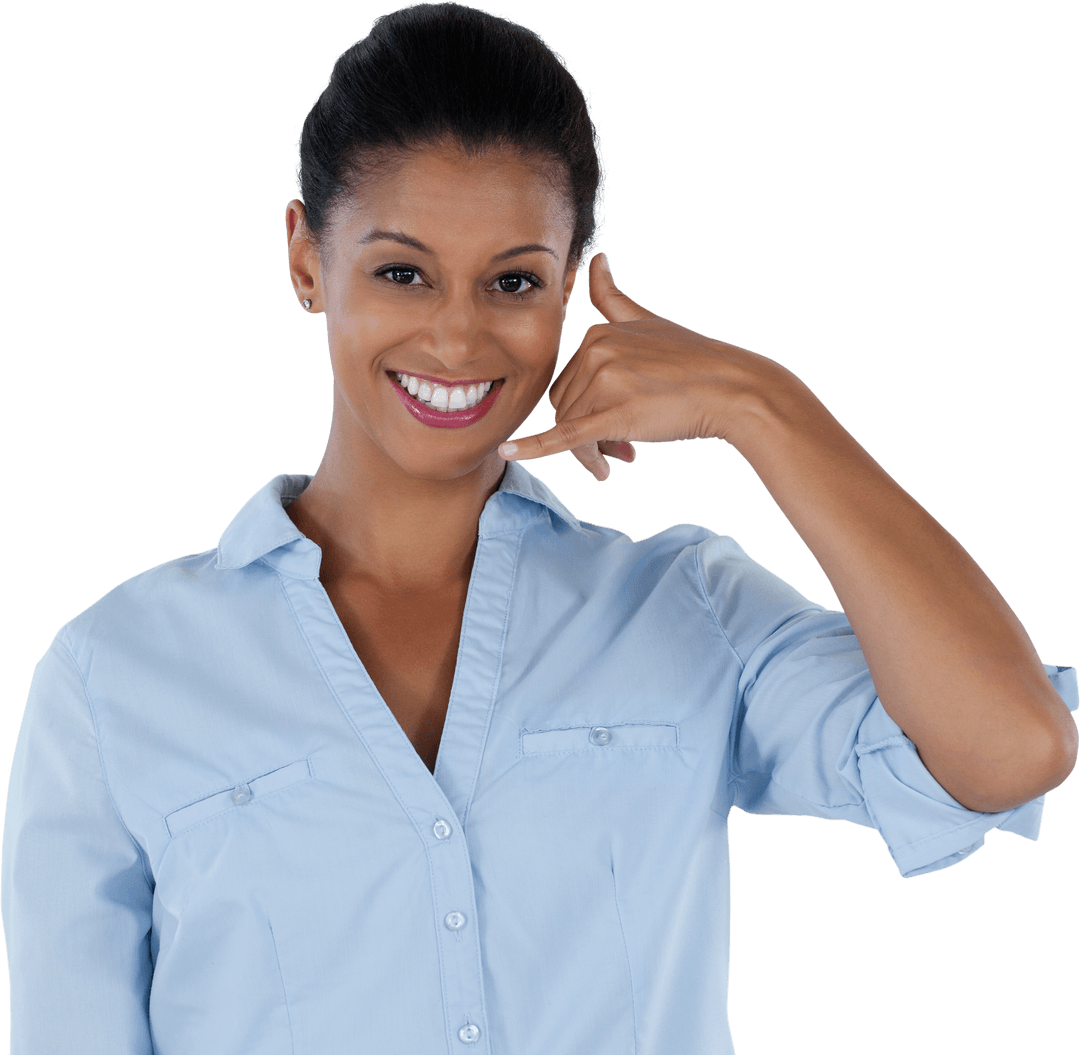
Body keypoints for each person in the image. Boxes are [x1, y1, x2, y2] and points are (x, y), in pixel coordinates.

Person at [2, 2, 1076, 1052]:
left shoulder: (683, 607)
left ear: (570, 286)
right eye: (401, 271)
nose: (458, 335)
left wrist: (766, 407)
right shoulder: (115, 679)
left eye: (513, 280)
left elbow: (1013, 746)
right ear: (304, 259)